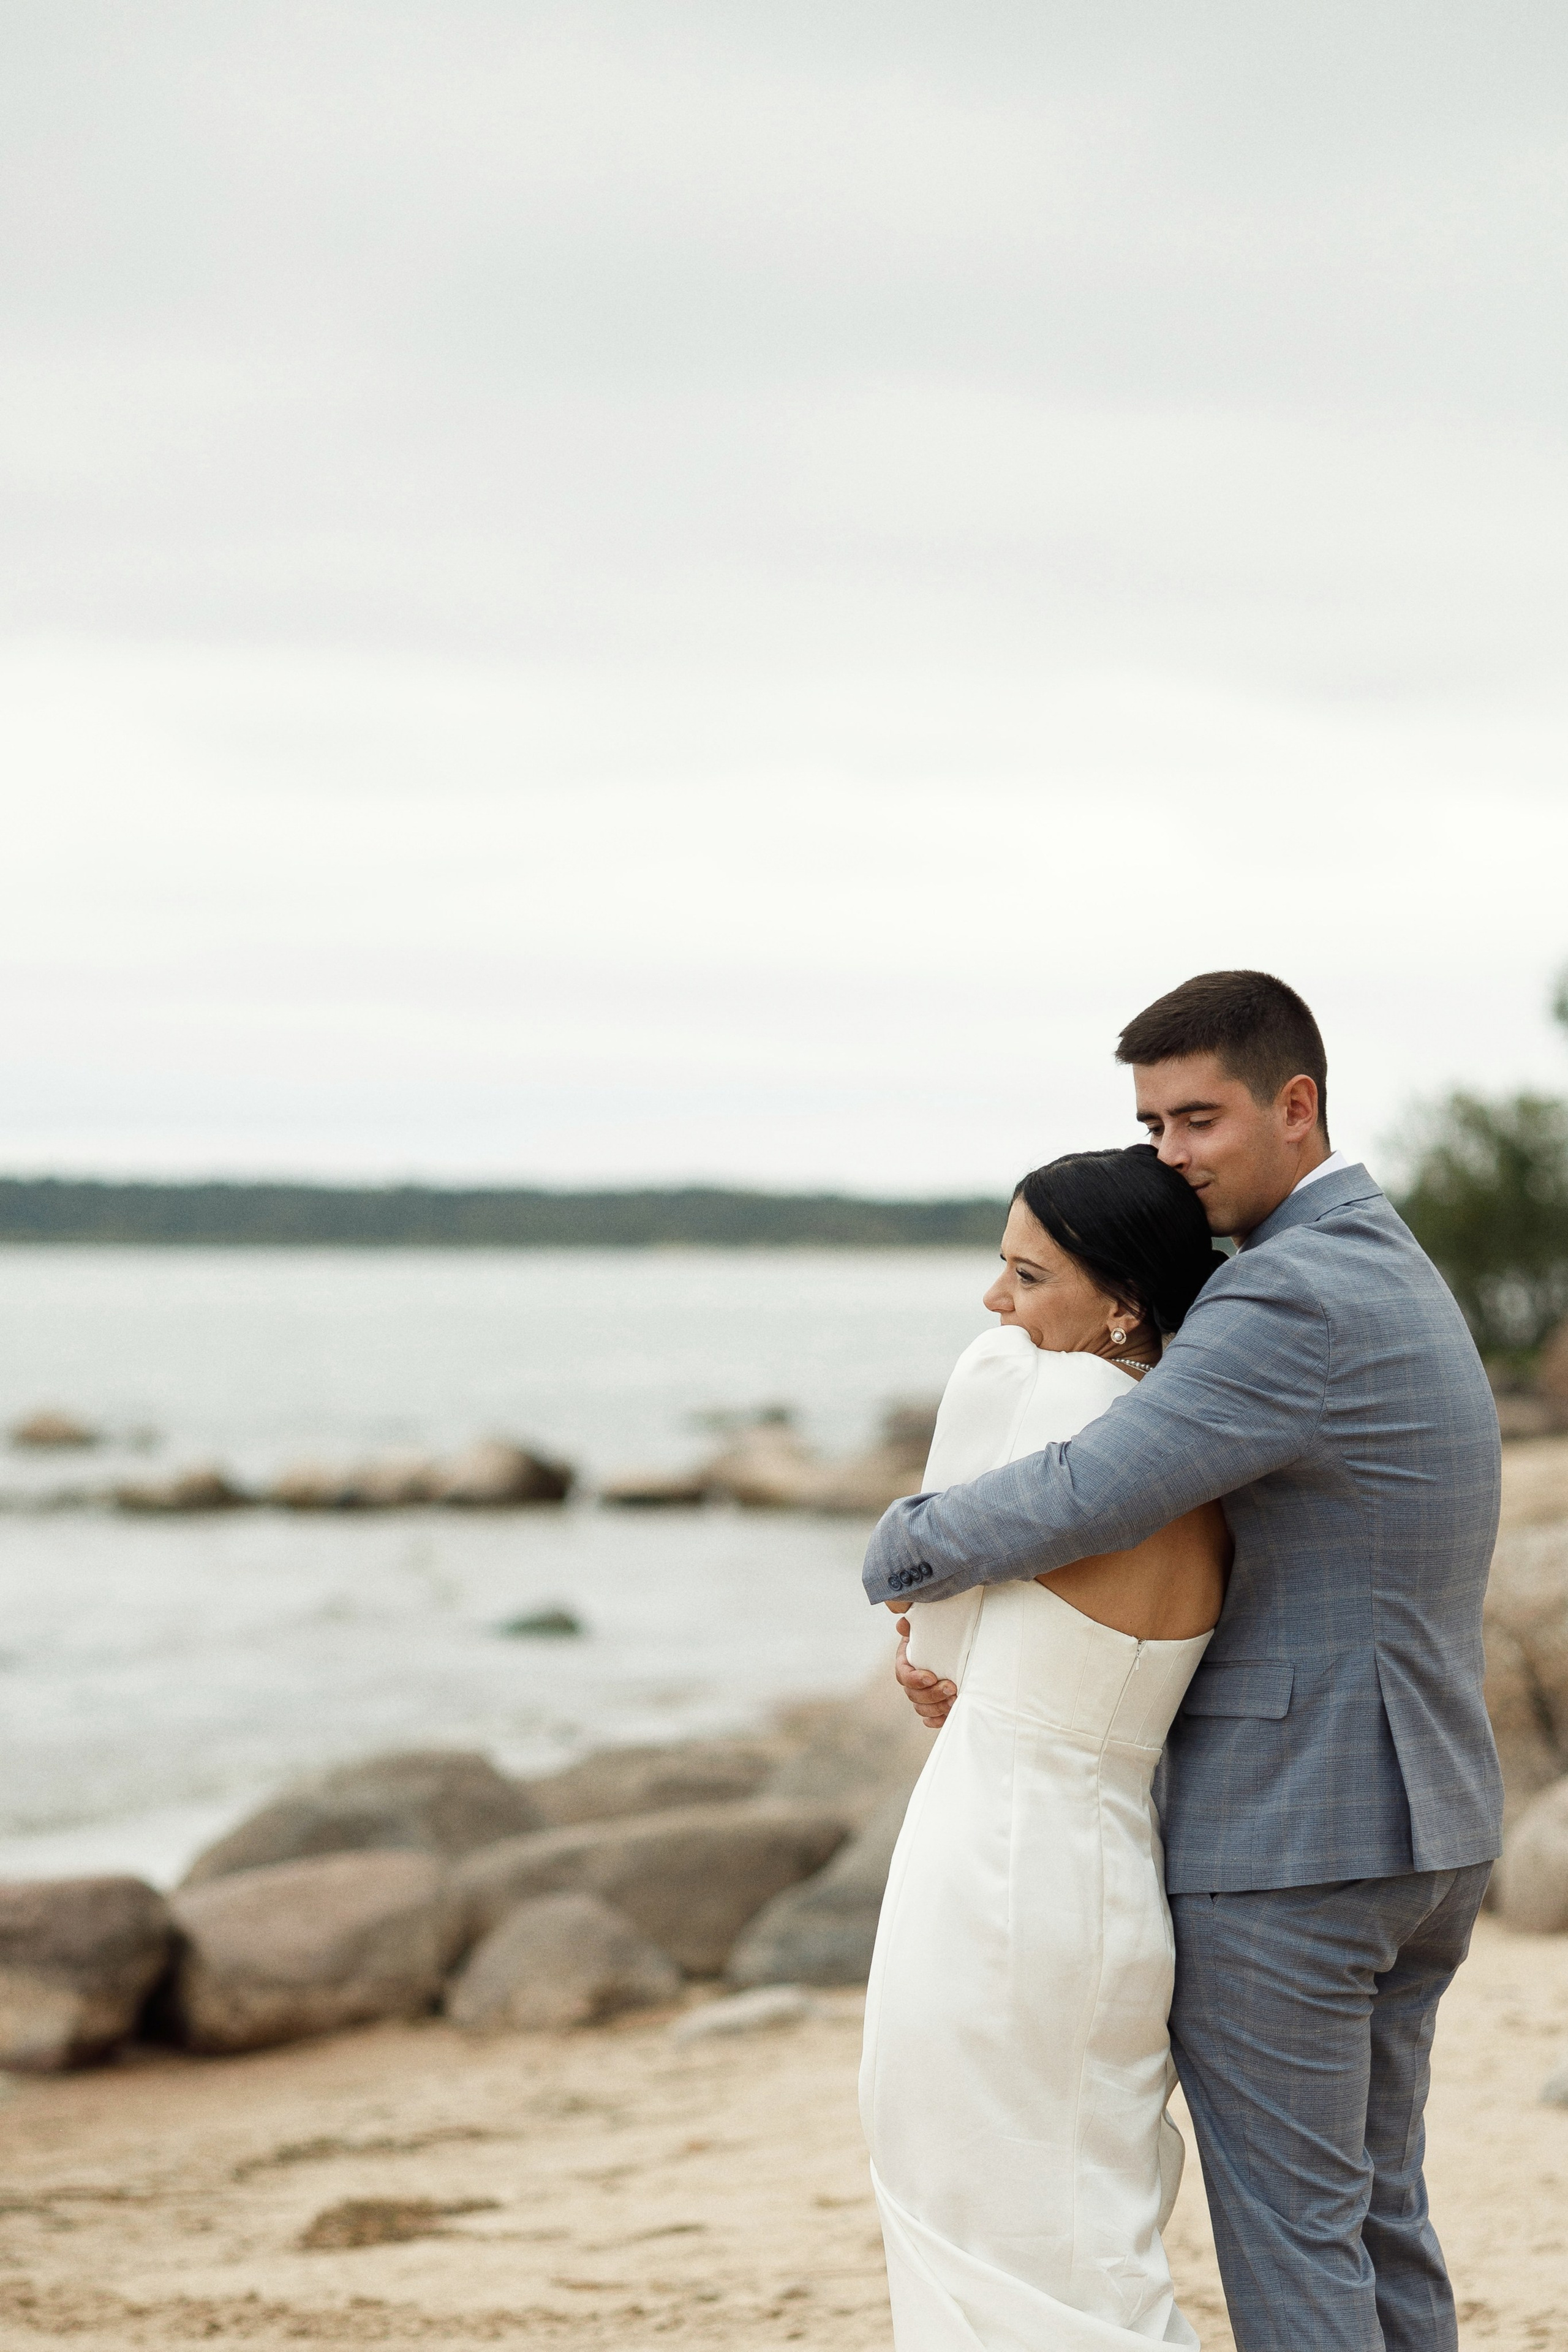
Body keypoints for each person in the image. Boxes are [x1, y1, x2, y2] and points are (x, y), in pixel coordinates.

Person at [868, 970, 1502, 2352]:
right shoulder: (1380, 1257)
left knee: (1296, 2235)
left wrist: (900, 1548)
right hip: (1422, 1820)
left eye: (1198, 1120)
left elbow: (1085, 1491)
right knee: (1375, 2213)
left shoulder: (1286, 1295)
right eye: (1152, 1124)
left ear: (1296, 1105)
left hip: (1299, 1835)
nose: (1170, 1156)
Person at [861, 1145, 1232, 2348]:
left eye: (1026, 1277)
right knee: (1079, 2222)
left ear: (1122, 1301)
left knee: (969, 2209)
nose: (995, 1305)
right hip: (1106, 1869)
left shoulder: (1057, 1414)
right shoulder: (1199, 1465)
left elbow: (928, 1627)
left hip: (998, 1870)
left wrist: (931, 1639)